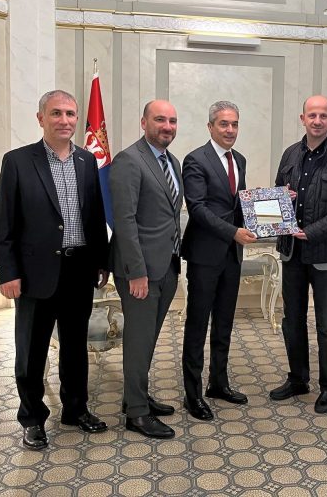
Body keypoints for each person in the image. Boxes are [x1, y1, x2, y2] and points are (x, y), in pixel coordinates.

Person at [0, 90, 109, 451]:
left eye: (71, 114)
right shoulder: (17, 161)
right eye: (56, 113)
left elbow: (95, 216)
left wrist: (101, 261)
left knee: (75, 347)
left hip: (79, 270)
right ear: (41, 118)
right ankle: (32, 418)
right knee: (31, 351)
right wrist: (7, 272)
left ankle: (75, 409)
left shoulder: (87, 161)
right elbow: (4, 222)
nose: (65, 120)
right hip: (34, 274)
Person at [269, 95, 327, 414]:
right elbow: (276, 195)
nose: (318, 120)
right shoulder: (290, 154)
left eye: (324, 115)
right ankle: (298, 379)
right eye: (312, 115)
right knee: (292, 320)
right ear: (303, 118)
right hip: (292, 253)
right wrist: (283, 197)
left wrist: (313, 231)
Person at [109, 100, 183, 439]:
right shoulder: (129, 160)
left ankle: (135, 396)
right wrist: (136, 272)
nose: (167, 126)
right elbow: (124, 221)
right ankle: (137, 414)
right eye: (159, 120)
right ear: (144, 123)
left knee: (148, 338)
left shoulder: (172, 162)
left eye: (172, 121)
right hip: (140, 271)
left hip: (167, 265)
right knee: (138, 341)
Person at [181, 101, 257, 421]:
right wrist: (233, 233)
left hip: (231, 256)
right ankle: (193, 394)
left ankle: (218, 383)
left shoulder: (239, 160)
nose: (230, 130)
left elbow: (237, 205)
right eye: (224, 124)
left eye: (234, 124)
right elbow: (197, 208)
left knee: (224, 322)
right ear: (210, 126)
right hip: (204, 255)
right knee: (198, 324)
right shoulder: (195, 159)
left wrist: (270, 207)